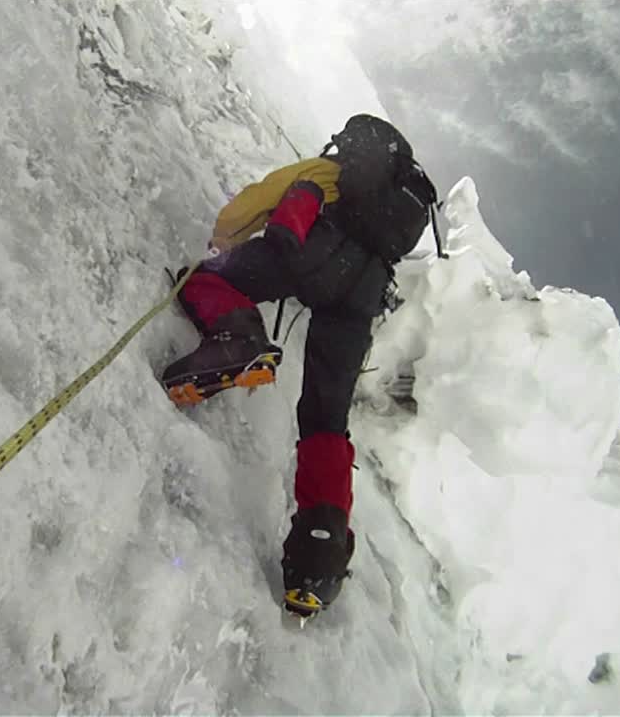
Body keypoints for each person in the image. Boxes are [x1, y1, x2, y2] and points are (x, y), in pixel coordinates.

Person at [161, 114, 438, 618]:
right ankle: (321, 555)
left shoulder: (333, 170)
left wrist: (224, 240)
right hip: (362, 297)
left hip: (310, 252)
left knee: (201, 280)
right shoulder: (391, 213)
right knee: (326, 420)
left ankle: (238, 337)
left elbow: (262, 197)